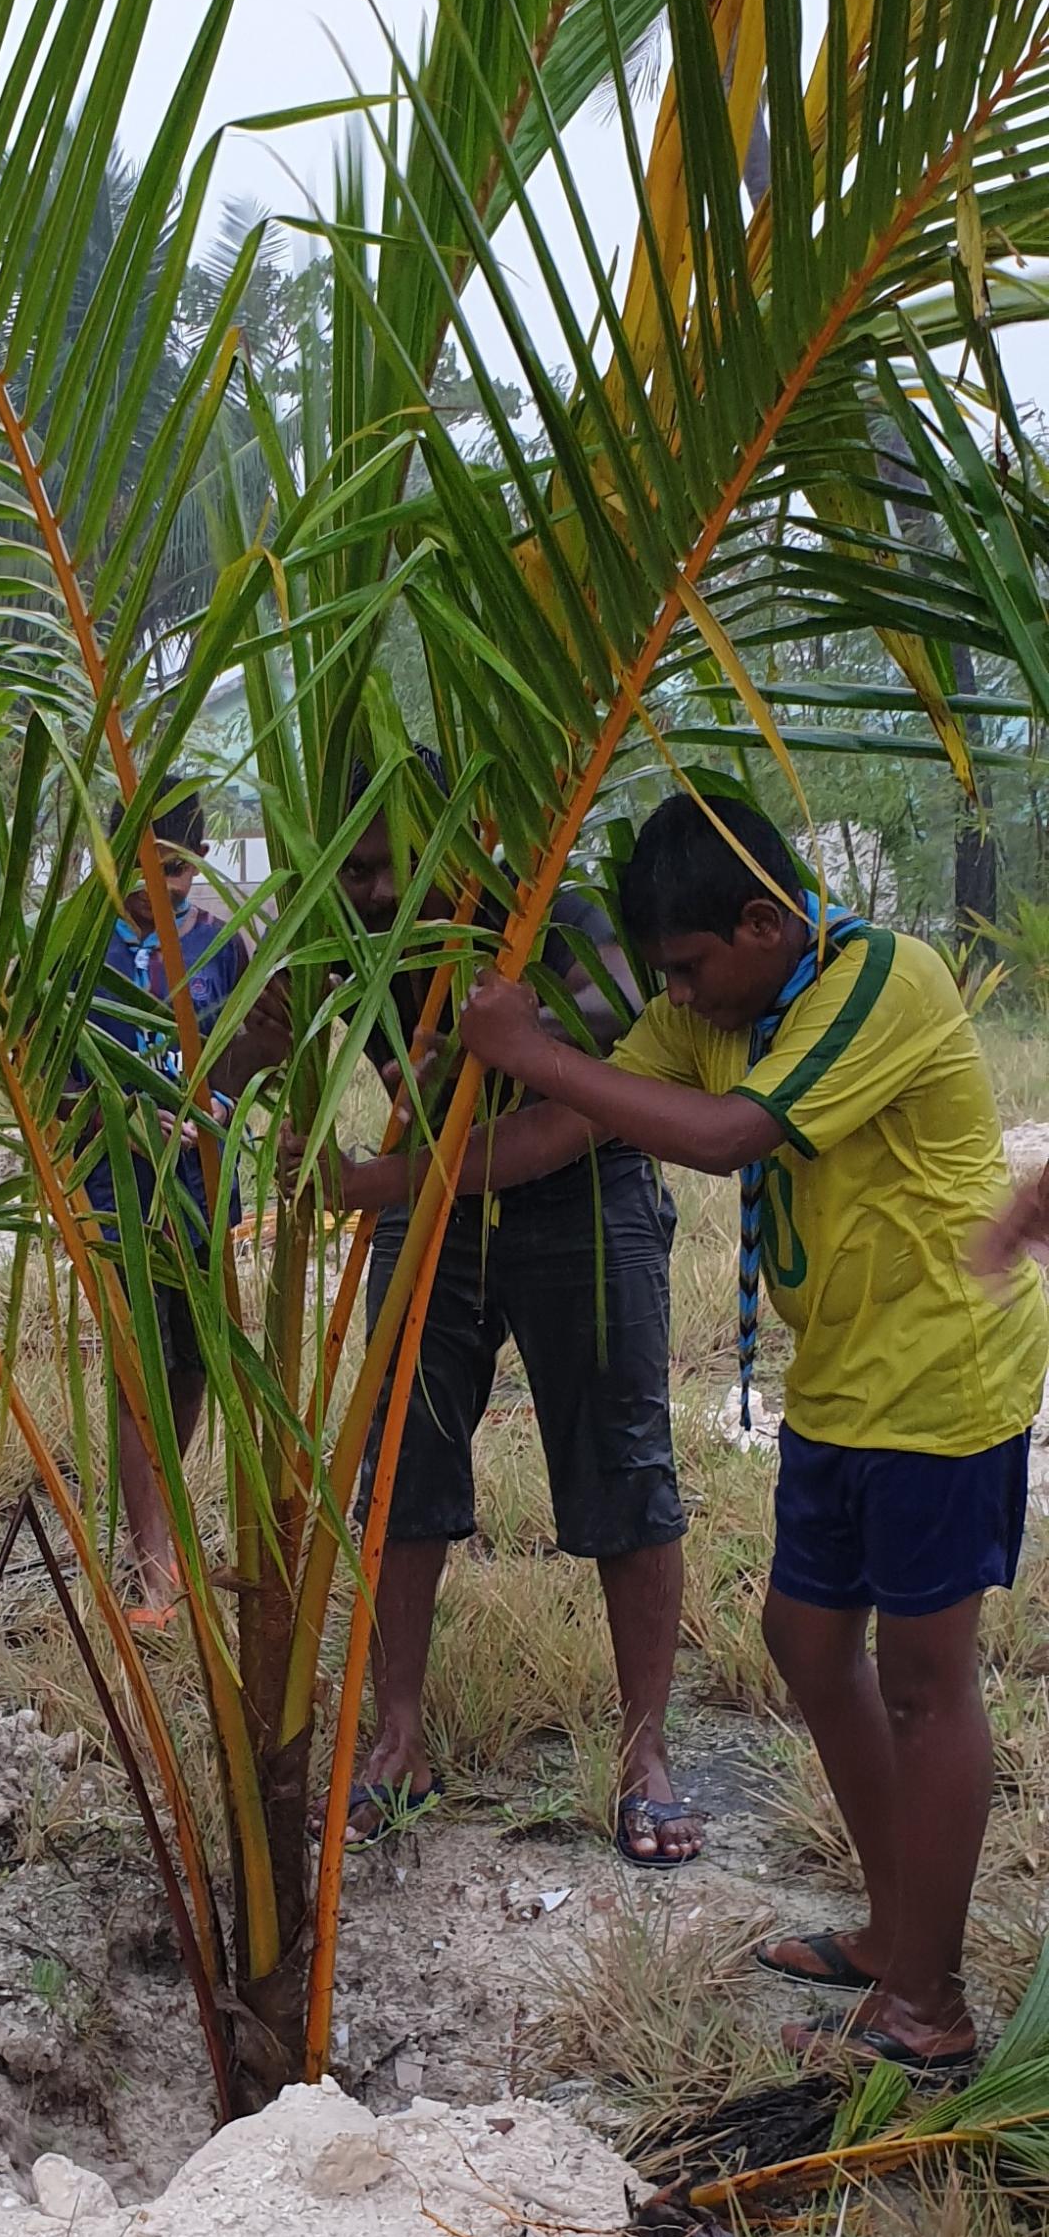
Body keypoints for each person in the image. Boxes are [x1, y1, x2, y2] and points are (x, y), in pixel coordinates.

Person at [459, 791, 1049, 2076]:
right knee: (801, 1633)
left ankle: (930, 2009)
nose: (674, 994)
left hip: (947, 1364)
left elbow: (729, 1136)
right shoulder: (714, 1009)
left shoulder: (881, 977)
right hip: (843, 1373)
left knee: (925, 1677)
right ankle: (898, 1936)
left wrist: (530, 1045)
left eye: (687, 966)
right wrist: (365, 1185)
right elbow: (571, 1124)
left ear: (766, 921)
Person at [301, 784, 695, 1858]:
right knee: (401, 1461)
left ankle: (646, 1755)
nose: (376, 889)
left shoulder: (565, 927)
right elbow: (265, 1037)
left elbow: (575, 1107)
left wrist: (382, 1175)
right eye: (355, 868)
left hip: (583, 1197)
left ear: (466, 847)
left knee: (624, 1458)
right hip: (428, 1209)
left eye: (395, 865)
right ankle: (397, 1736)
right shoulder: (353, 943)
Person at [85, 790, 250, 1626]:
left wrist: (212, 1113)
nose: (159, 887)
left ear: (202, 858)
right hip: (119, 1189)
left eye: (176, 868)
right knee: (137, 1364)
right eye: (142, 868)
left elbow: (255, 1055)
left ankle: (161, 1520)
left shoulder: (221, 945)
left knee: (191, 1362)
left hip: (201, 1186)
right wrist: (124, 1114)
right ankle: (153, 1560)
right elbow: (56, 1076)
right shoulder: (82, 955)